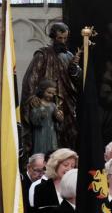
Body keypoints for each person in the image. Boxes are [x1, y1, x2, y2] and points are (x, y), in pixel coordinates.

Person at [20, 22, 80, 154]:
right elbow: (31, 78)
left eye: (65, 38)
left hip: (66, 101)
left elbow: (76, 81)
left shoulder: (69, 56)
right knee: (49, 134)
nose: (63, 41)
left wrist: (74, 70)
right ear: (53, 37)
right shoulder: (42, 55)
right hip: (48, 100)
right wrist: (31, 96)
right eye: (60, 38)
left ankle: (66, 163)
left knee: (69, 132)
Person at [23, 80, 63, 156]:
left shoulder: (53, 105)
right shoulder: (37, 103)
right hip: (40, 134)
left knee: (52, 153)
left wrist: (59, 118)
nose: (51, 95)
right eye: (48, 92)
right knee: (40, 154)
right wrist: (40, 115)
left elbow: (57, 121)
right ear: (42, 91)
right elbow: (33, 121)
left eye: (53, 93)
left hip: (52, 134)